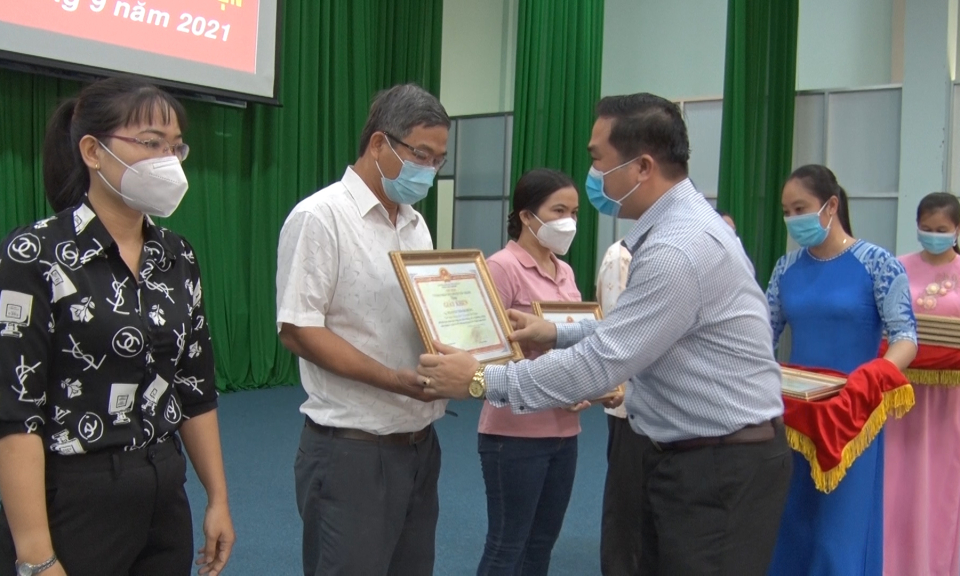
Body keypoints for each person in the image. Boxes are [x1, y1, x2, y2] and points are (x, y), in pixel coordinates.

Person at [415, 92, 791, 576]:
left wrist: (480, 380)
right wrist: (555, 332)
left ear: (642, 167)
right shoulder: (682, 228)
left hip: (717, 468)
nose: (594, 175)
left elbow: (602, 362)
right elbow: (641, 328)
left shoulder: (678, 249)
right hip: (699, 455)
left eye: (598, 160)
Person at [0, 77, 234, 576]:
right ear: (93, 151)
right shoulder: (34, 254)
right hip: (74, 497)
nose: (167, 161)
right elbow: (15, 415)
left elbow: (195, 389)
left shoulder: (176, 256)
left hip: (163, 493)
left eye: (176, 147)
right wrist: (37, 556)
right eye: (150, 143)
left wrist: (217, 497)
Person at [276, 84, 450, 576]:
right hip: (351, 449)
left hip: (419, 442)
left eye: (439, 160)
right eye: (421, 154)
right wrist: (392, 379)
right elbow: (298, 329)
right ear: (378, 144)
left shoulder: (415, 224)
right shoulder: (320, 217)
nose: (429, 170)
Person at [764, 165, 917, 575]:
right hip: (794, 417)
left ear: (831, 206)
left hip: (852, 415)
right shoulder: (786, 268)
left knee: (839, 534)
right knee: (791, 524)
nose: (792, 219)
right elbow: (762, 334)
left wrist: (873, 378)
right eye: (786, 211)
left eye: (801, 208)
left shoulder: (878, 264)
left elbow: (905, 336)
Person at [477, 168, 601, 576]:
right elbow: (488, 351)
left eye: (575, 213)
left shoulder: (565, 271)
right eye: (559, 211)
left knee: (542, 545)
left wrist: (581, 384)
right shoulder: (501, 267)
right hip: (514, 432)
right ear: (527, 216)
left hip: (565, 431)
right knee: (507, 545)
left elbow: (577, 341)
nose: (570, 222)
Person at [884, 192, 960, 576]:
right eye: (926, 228)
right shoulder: (896, 267)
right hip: (902, 397)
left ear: (957, 230)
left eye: (942, 230)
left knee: (943, 486)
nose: (934, 235)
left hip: (950, 400)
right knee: (897, 483)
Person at [595, 238, 642, 576]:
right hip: (629, 405)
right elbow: (614, 332)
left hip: (666, 410)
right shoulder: (621, 256)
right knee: (626, 508)